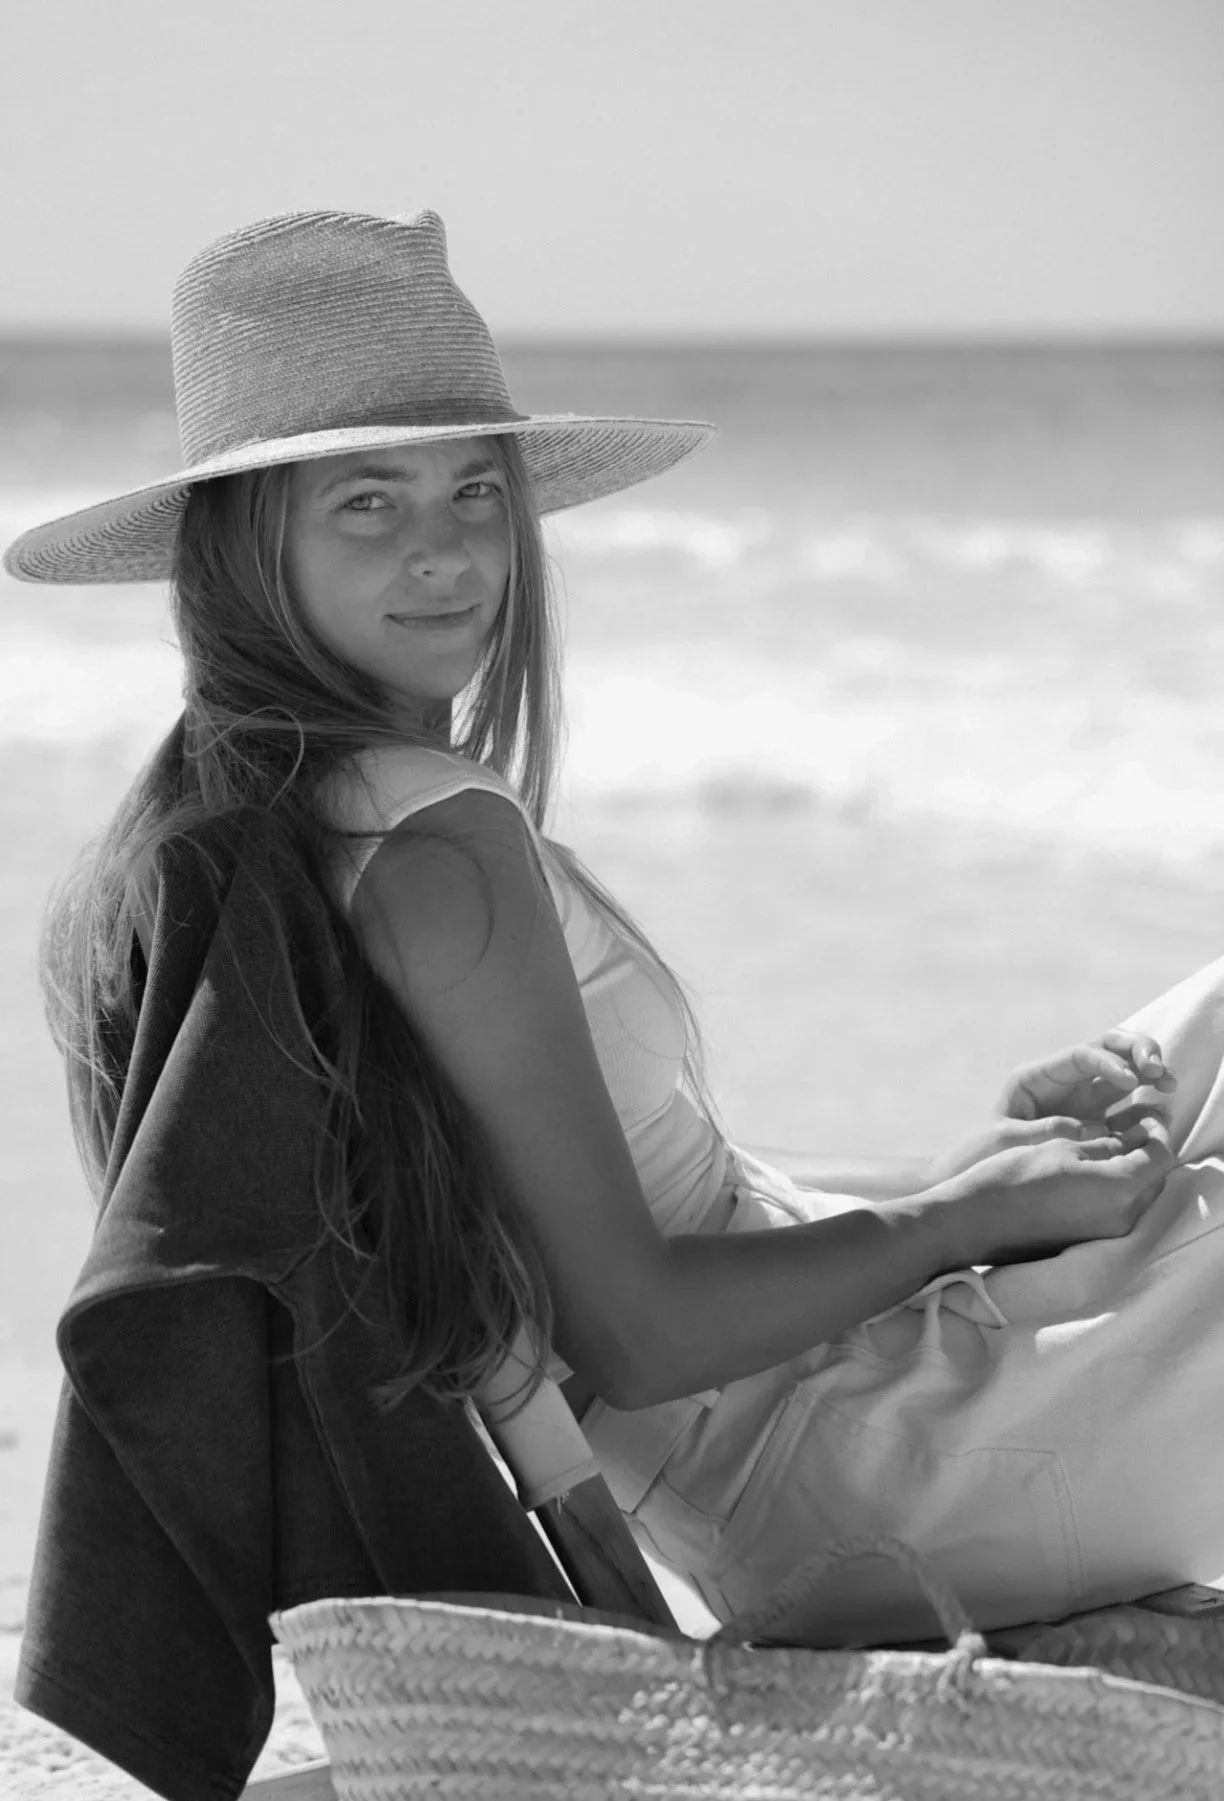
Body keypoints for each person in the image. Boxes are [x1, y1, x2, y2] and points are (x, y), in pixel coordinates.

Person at [8, 206, 1223, 1657]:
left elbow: (634, 1203)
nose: (448, 550)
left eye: (475, 488)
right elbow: (638, 1336)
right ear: (243, 549)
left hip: (837, 1424)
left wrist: (970, 1175)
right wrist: (963, 1223)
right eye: (367, 502)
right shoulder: (432, 844)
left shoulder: (278, 818)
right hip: (872, 1478)